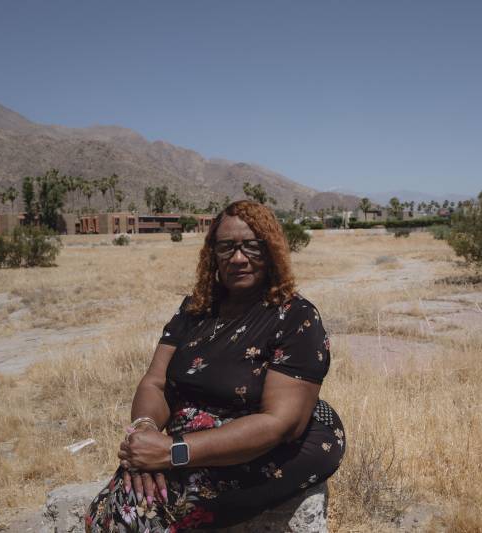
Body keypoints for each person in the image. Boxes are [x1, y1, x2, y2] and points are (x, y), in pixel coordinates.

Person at [85, 200, 345, 532]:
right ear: (213, 254)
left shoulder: (295, 317)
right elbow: (156, 383)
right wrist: (146, 431)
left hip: (272, 448)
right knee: (111, 507)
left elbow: (279, 424)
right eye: (227, 247)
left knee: (134, 519)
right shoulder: (195, 309)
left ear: (272, 251)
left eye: (252, 247)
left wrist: (172, 453)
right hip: (192, 443)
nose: (238, 258)